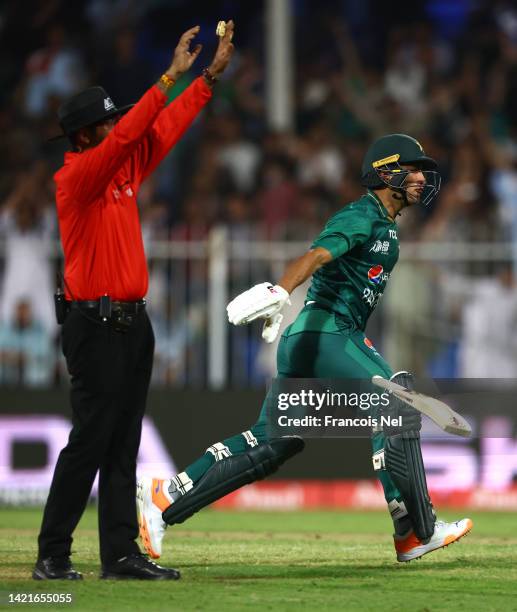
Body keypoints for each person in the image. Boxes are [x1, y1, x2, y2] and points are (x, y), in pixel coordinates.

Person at [138, 134, 473, 563]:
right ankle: (415, 530)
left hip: (308, 339)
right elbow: (315, 256)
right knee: (397, 400)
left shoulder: (386, 226)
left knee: (274, 441)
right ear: (387, 172)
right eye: (414, 168)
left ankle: (165, 498)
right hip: (328, 334)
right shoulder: (362, 215)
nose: (423, 178)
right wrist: (280, 289)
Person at [33, 22, 235, 581]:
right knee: (89, 443)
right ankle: (52, 554)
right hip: (92, 325)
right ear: (83, 137)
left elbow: (159, 132)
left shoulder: (118, 169)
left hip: (130, 323)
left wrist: (206, 80)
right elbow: (132, 136)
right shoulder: (77, 178)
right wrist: (169, 75)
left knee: (123, 444)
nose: (117, 125)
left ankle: (119, 555)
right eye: (106, 121)